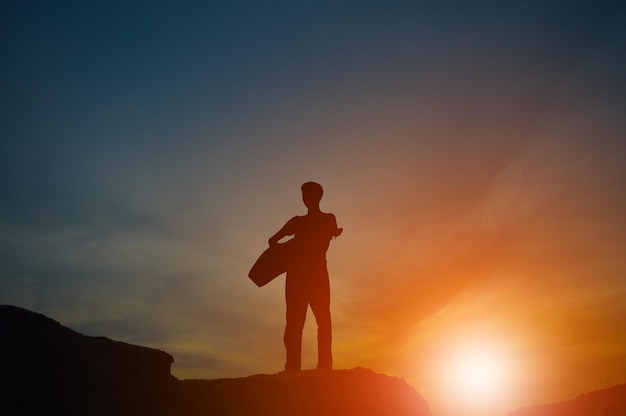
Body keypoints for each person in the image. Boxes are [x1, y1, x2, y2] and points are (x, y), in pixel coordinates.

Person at [268, 182, 342, 371]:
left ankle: (322, 366)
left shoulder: (325, 219)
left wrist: (291, 246)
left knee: (321, 321)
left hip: (312, 275)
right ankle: (294, 366)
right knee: (296, 323)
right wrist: (288, 249)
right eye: (304, 194)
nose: (306, 198)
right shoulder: (298, 221)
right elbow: (273, 241)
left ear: (318, 196)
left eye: (308, 194)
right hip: (300, 276)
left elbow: (273, 241)